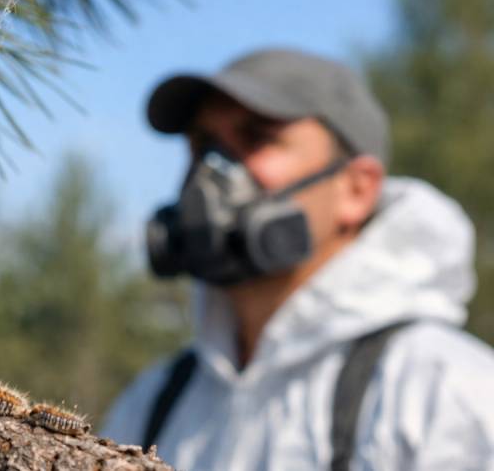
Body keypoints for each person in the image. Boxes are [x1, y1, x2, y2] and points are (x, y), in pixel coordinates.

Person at [101, 48, 494, 470]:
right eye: (203, 144)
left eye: (257, 138)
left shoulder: (443, 393)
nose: (212, 172)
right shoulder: (154, 401)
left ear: (357, 190)